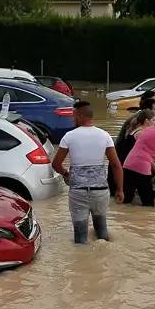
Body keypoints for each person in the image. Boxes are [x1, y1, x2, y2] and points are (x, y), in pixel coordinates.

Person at [51, 100, 123, 244]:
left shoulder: (69, 136)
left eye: (73, 116)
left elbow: (56, 164)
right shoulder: (105, 135)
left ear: (80, 117)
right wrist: (120, 190)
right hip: (100, 192)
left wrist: (66, 173)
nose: (72, 119)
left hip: (78, 192)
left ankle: (82, 263)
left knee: (80, 236)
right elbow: (116, 166)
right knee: (102, 231)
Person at [110, 95, 155, 196]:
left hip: (124, 161)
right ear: (148, 111)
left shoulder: (141, 121)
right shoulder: (138, 124)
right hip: (122, 160)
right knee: (122, 195)